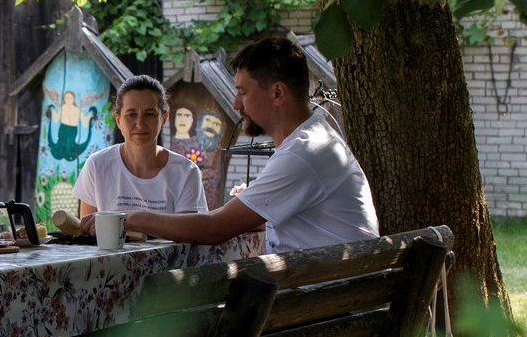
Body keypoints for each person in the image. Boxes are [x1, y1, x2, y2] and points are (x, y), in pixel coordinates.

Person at [88, 36, 378, 253]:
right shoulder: (316, 139)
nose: (236, 103)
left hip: (320, 309)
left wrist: (131, 218)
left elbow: (215, 229)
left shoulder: (302, 153)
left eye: (242, 92)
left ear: (277, 93)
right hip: (334, 296)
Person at [74, 75, 208, 217]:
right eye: (131, 114)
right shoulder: (97, 166)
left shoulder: (185, 172)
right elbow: (88, 232)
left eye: (149, 114)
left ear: (164, 118)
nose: (140, 123)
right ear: (118, 120)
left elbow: (187, 234)